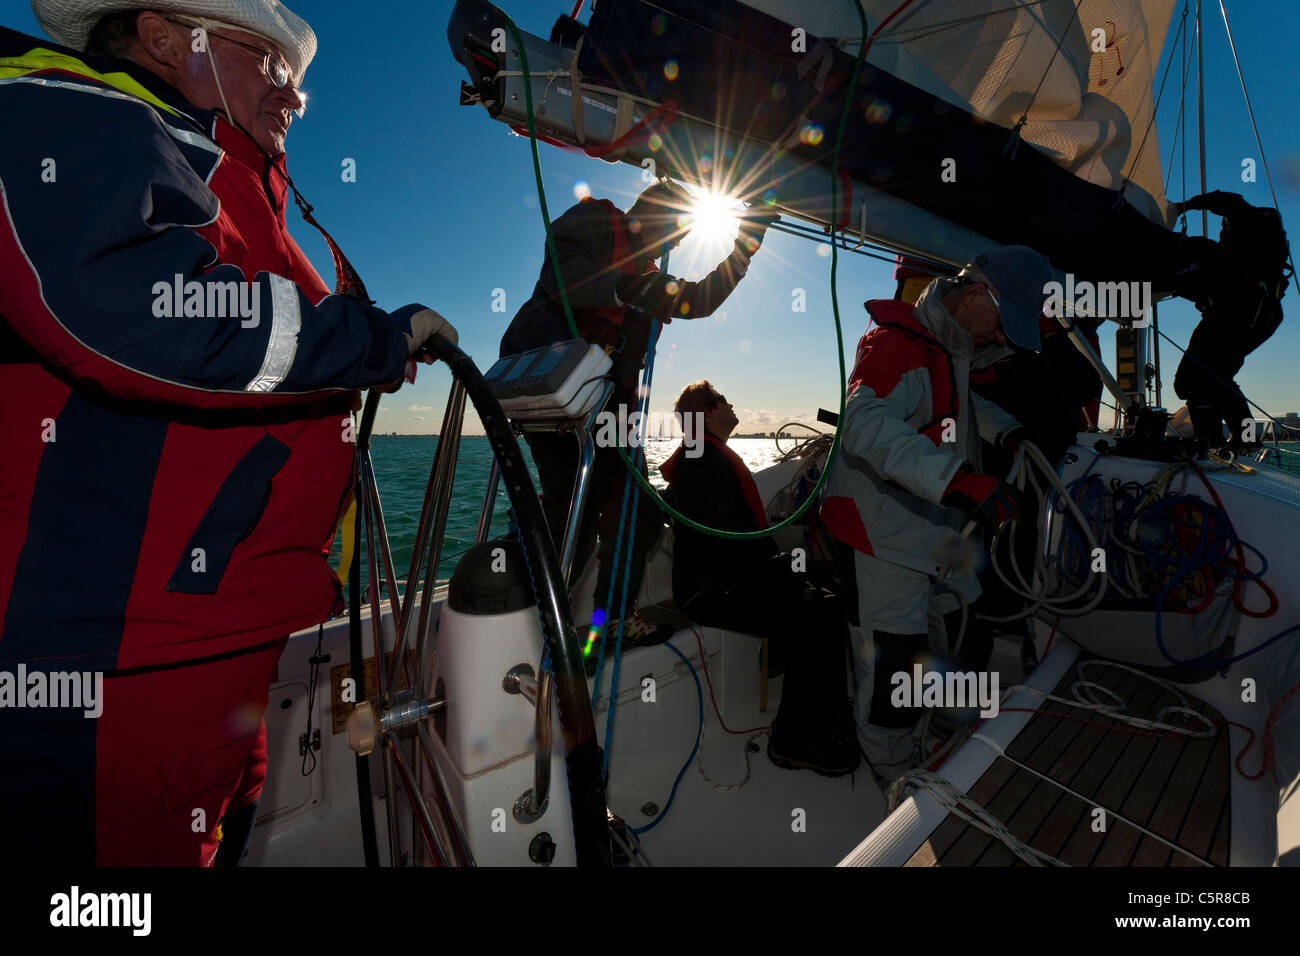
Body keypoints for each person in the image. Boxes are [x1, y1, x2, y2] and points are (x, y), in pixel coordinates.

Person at [0, 1, 457, 866]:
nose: (297, 98)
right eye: (275, 66)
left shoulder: (230, 181)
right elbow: (141, 311)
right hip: (113, 671)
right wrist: (372, 338)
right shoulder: (77, 113)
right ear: (169, 37)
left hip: (216, 652)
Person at [819, 246, 1053, 783]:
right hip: (882, 535)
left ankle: (952, 727)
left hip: (938, 529)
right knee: (893, 673)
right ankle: (893, 775)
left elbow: (962, 407)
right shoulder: (893, 342)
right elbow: (863, 424)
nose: (1001, 339)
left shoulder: (954, 349)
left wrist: (1004, 429)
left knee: (959, 636)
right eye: (1002, 324)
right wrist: (959, 482)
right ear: (975, 294)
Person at [500, 180, 778, 630]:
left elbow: (700, 299)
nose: (674, 241)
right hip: (556, 391)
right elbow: (562, 271)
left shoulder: (653, 278)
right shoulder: (595, 220)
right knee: (574, 509)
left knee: (636, 509)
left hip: (610, 409)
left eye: (681, 235)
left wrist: (746, 245)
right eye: (671, 228)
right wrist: (627, 287)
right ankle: (532, 618)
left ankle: (608, 619)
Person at [661, 381, 859, 776]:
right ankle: (792, 740)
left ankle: (823, 711)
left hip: (723, 578)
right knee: (820, 609)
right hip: (712, 590)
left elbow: (729, 541)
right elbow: (732, 544)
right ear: (710, 412)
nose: (733, 405)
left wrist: (784, 567)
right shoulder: (706, 464)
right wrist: (784, 569)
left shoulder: (701, 458)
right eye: (725, 400)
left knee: (819, 591)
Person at [1169, 191, 1290, 451]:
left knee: (1192, 380)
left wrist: (1182, 207)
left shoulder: (1251, 227)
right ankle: (1241, 439)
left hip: (1239, 314)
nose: (1225, 228)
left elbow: (1229, 201)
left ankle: (1211, 441)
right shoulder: (1249, 259)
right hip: (1255, 316)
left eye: (1227, 225)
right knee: (1217, 375)